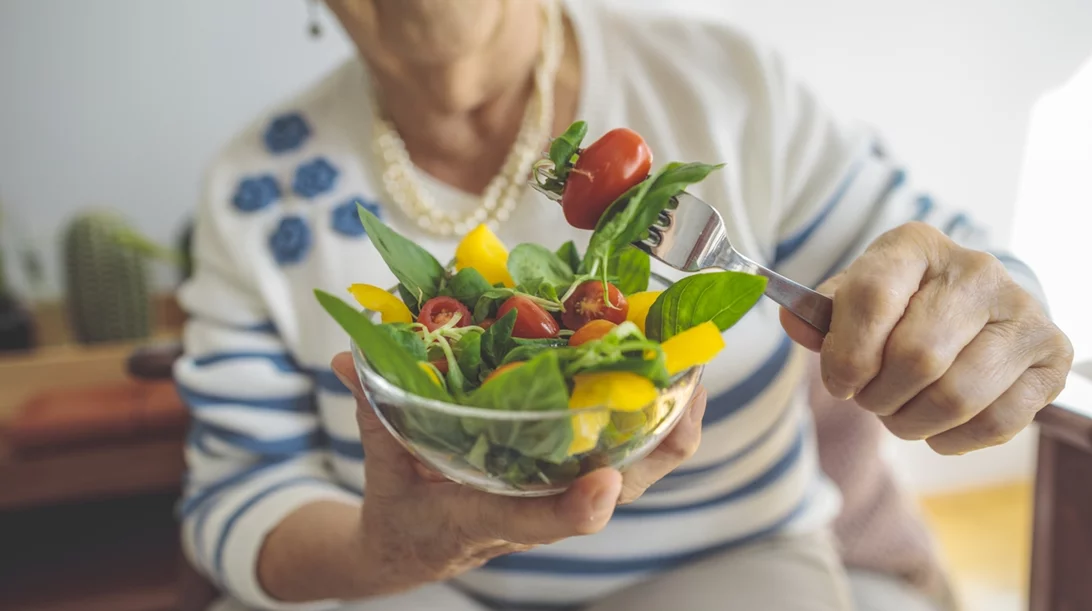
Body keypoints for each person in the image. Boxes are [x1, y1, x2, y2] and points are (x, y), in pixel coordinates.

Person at [174, 1, 1072, 610]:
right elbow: (238, 497)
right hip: (414, 589)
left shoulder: (722, 85)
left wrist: (993, 317)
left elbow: (947, 262)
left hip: (733, 562)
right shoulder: (255, 190)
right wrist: (393, 550)